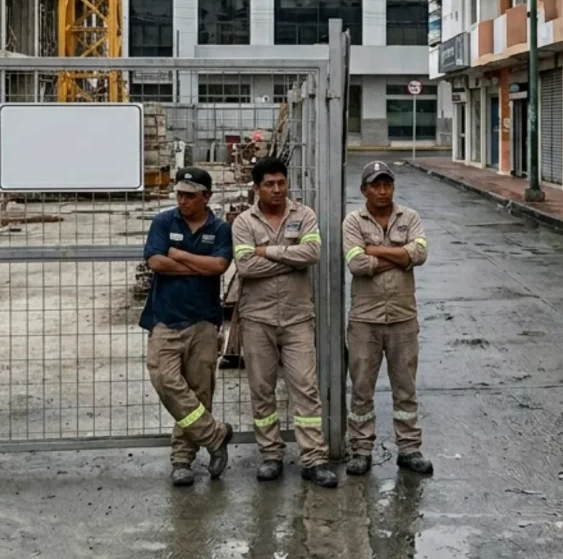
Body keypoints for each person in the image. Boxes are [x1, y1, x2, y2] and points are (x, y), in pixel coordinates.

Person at [232, 157, 337, 488]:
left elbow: (312, 254)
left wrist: (268, 252)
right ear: (257, 187)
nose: (276, 189)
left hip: (296, 318)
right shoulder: (243, 222)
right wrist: (288, 257)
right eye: (269, 184)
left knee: (306, 388)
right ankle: (271, 455)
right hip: (257, 318)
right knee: (262, 390)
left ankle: (314, 459)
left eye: (281, 183)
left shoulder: (303, 215)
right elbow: (246, 267)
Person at [142, 166, 235, 487]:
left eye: (190, 195)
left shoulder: (220, 229)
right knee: (165, 379)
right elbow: (155, 261)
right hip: (166, 319)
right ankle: (215, 435)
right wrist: (200, 266)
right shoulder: (164, 222)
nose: (182, 200)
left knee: (199, 392)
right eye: (179, 194)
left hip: (204, 322)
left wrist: (179, 255)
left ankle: (182, 460)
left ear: (206, 197)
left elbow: (220, 266)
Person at [342, 161, 433, 477]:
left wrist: (376, 251)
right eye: (376, 185)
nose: (382, 191)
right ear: (363, 189)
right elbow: (355, 264)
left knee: (405, 388)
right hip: (365, 320)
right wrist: (399, 256)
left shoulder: (410, 218)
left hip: (402, 318)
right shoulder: (354, 221)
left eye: (387, 184)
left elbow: (419, 254)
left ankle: (409, 449)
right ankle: (361, 450)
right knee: (362, 387)